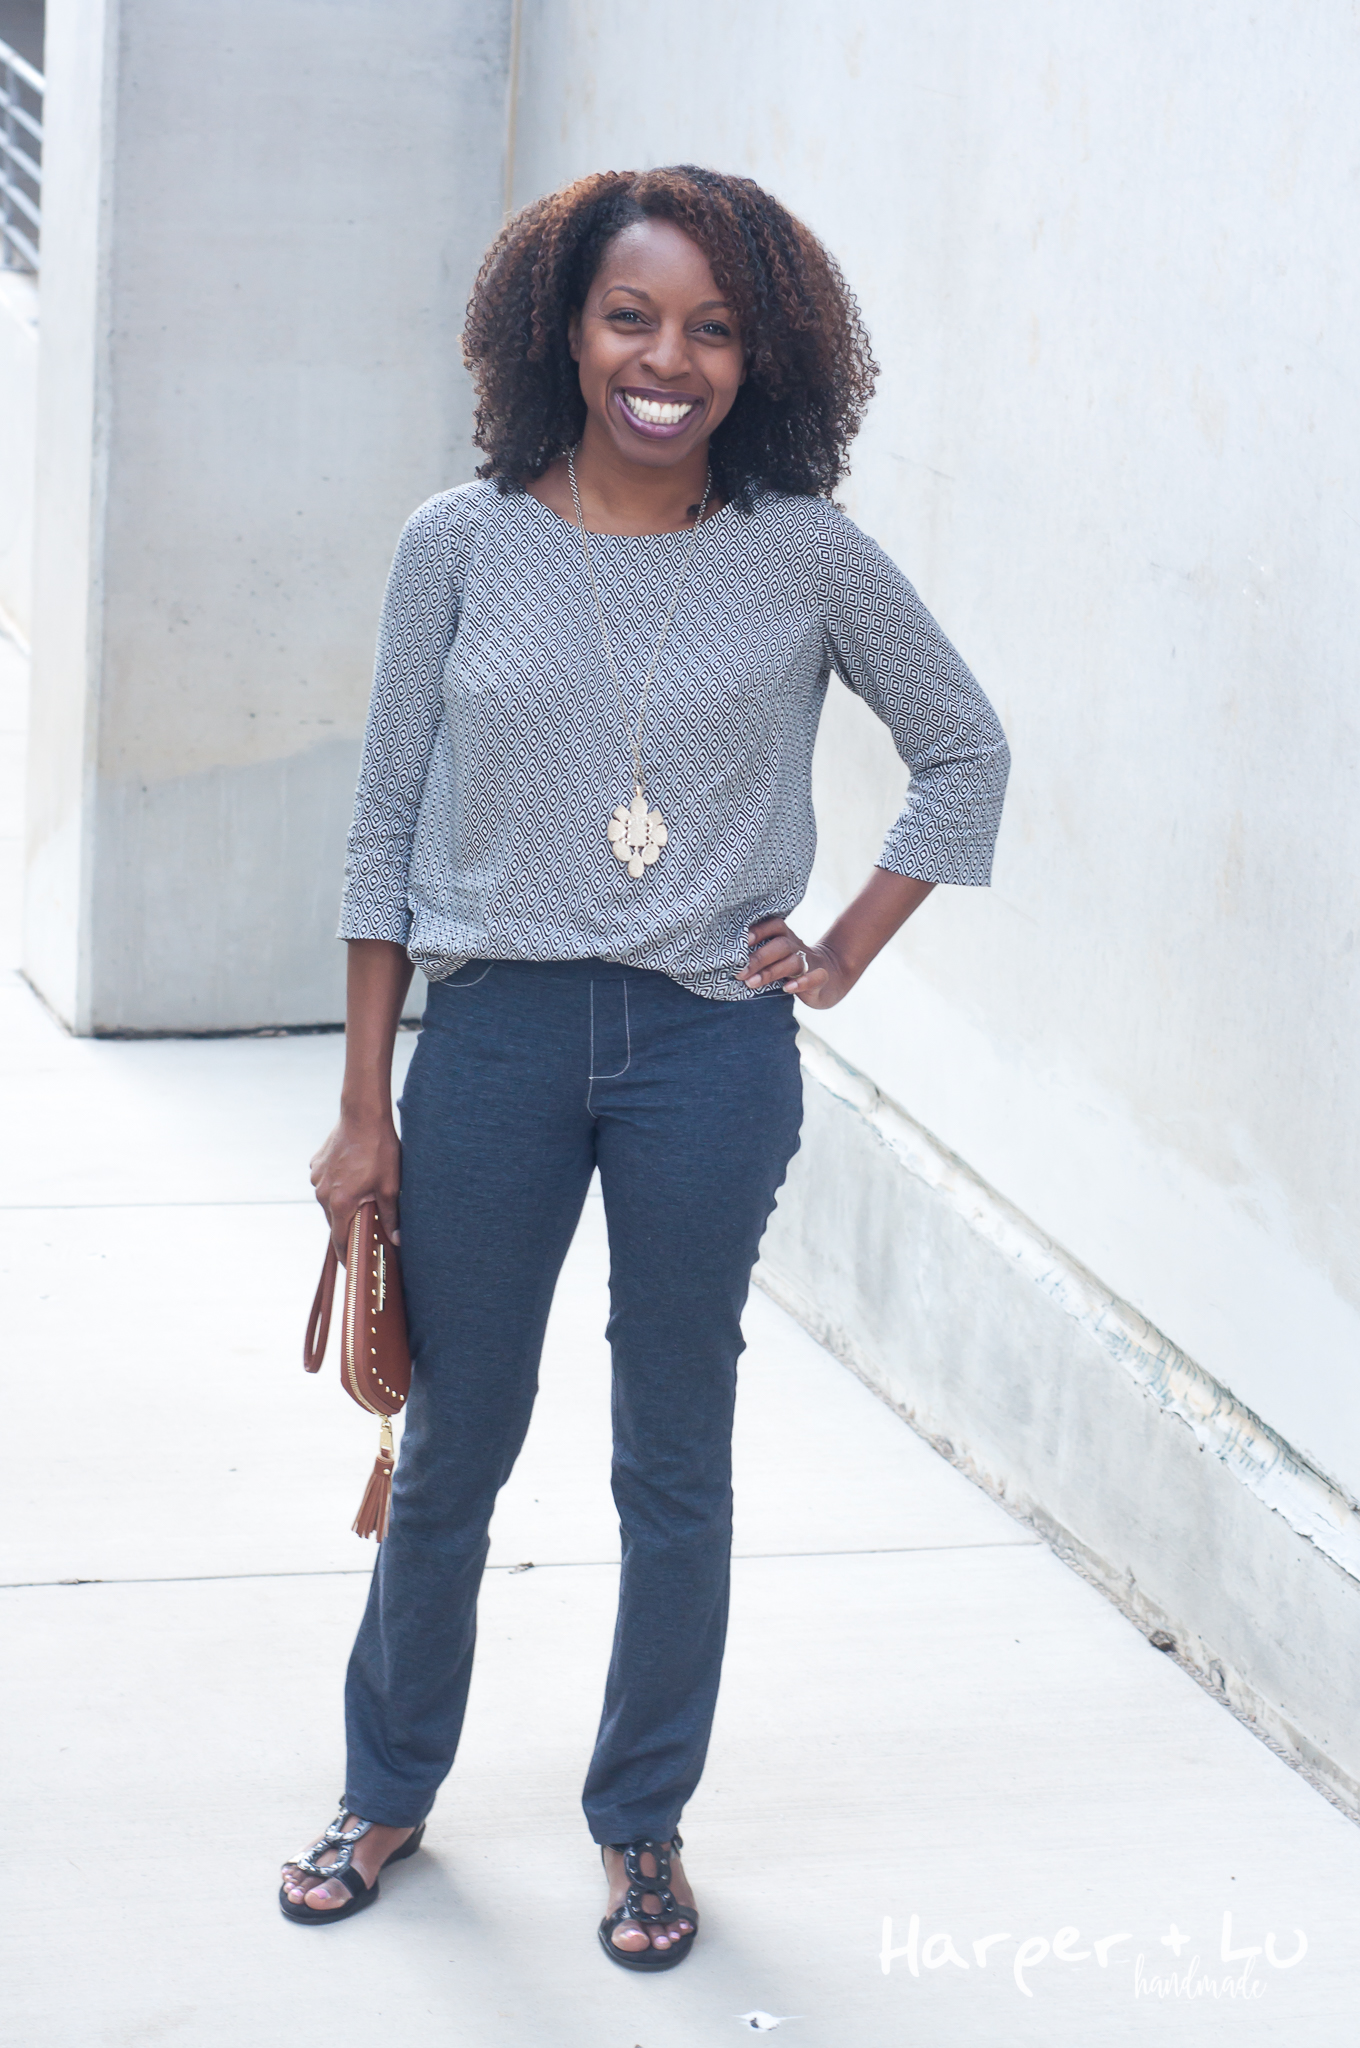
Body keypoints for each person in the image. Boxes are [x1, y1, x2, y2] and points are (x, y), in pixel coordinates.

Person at [280, 165, 1009, 1968]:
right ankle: (386, 1786)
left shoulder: (807, 553)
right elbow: (380, 834)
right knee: (455, 1441)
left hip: (708, 1050)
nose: (667, 360)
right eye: (632, 317)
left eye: (712, 328)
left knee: (674, 1454)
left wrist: (842, 948)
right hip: (497, 1040)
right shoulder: (456, 545)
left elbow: (965, 751)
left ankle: (643, 1825)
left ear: (766, 357)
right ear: (565, 327)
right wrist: (364, 1105)